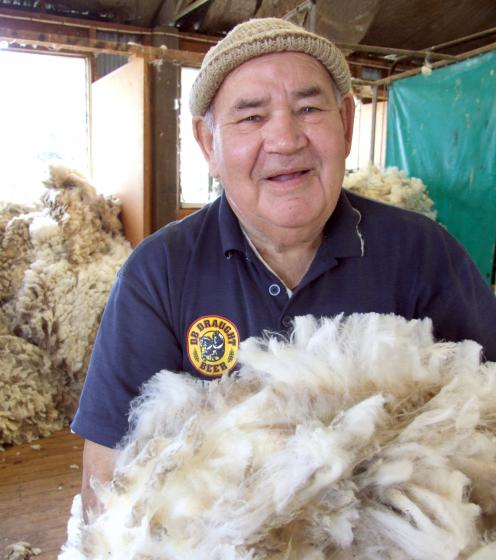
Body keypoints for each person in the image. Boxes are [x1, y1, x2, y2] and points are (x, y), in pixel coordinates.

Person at [73, 17, 496, 518]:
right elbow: (109, 473)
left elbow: (485, 416)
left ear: (344, 124)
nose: (285, 139)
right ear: (210, 145)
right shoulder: (160, 272)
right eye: (251, 118)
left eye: (309, 109)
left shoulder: (424, 253)